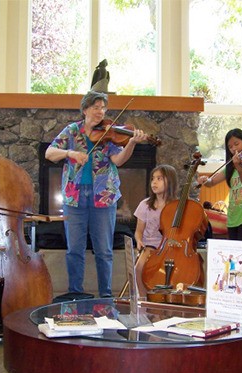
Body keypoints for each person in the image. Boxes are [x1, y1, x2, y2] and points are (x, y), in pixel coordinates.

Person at [45, 91, 148, 298]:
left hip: (103, 196)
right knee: (74, 249)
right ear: (85, 109)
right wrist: (69, 153)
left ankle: (106, 296)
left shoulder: (109, 133)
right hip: (74, 198)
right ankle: (76, 293)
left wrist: (131, 143)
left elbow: (118, 160)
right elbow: (49, 153)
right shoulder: (72, 131)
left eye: (103, 108)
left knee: (104, 250)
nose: (100, 112)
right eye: (96, 107)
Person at [198, 128, 242, 241]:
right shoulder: (231, 166)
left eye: (236, 144)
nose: (234, 148)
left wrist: (238, 167)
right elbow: (212, 182)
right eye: (230, 147)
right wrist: (205, 180)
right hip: (233, 217)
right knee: (233, 254)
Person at [133, 164, 179, 296]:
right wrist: (139, 240)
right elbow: (139, 231)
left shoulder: (175, 206)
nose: (154, 182)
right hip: (150, 245)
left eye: (159, 178)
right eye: (153, 178)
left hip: (169, 246)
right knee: (139, 267)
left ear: (170, 181)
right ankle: (143, 297)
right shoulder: (145, 204)